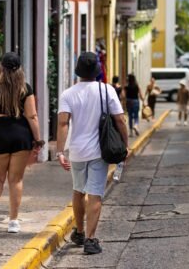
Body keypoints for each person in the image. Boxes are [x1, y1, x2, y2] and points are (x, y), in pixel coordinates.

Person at [56, 52, 130, 255]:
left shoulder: (68, 94)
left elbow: (63, 123)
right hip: (99, 151)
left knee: (78, 191)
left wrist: (60, 152)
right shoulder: (107, 90)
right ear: (97, 71)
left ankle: (79, 232)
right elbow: (120, 120)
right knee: (95, 194)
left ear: (78, 71)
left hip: (77, 151)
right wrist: (125, 145)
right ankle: (90, 240)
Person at [0, 52, 44, 233]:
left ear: (1, 68)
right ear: (19, 69)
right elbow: (32, 115)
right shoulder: (25, 88)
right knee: (16, 179)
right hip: (19, 134)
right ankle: (13, 221)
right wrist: (38, 139)